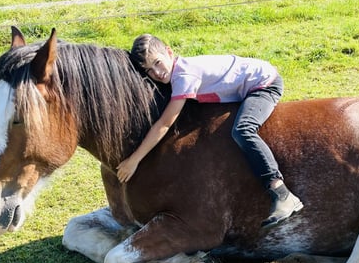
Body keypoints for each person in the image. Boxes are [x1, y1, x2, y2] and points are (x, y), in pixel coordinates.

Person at [116, 33, 303, 228]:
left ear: (169, 52)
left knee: (243, 130)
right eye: (149, 70)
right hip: (243, 83)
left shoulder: (184, 76)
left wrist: (134, 160)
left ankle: (282, 193)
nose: (157, 72)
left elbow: (164, 124)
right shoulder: (176, 73)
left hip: (264, 84)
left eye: (158, 63)